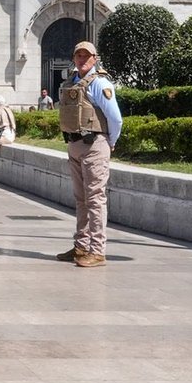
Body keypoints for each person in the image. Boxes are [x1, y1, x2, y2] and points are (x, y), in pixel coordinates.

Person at [56, 40, 123, 268]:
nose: (82, 59)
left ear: (95, 58)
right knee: (81, 199)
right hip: (75, 144)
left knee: (95, 199)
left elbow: (115, 118)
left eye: (87, 56)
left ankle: (97, 251)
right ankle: (81, 246)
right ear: (74, 58)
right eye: (79, 55)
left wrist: (110, 142)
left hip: (94, 144)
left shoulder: (99, 83)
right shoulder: (73, 82)